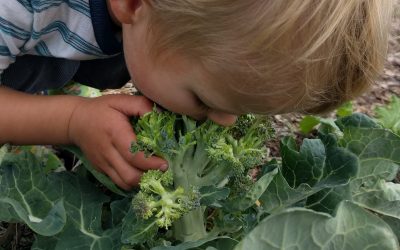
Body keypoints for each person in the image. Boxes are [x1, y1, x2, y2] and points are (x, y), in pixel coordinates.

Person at [0, 0, 393, 190]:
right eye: (207, 101)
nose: (225, 121)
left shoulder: (154, 17)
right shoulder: (22, 9)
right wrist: (69, 120)